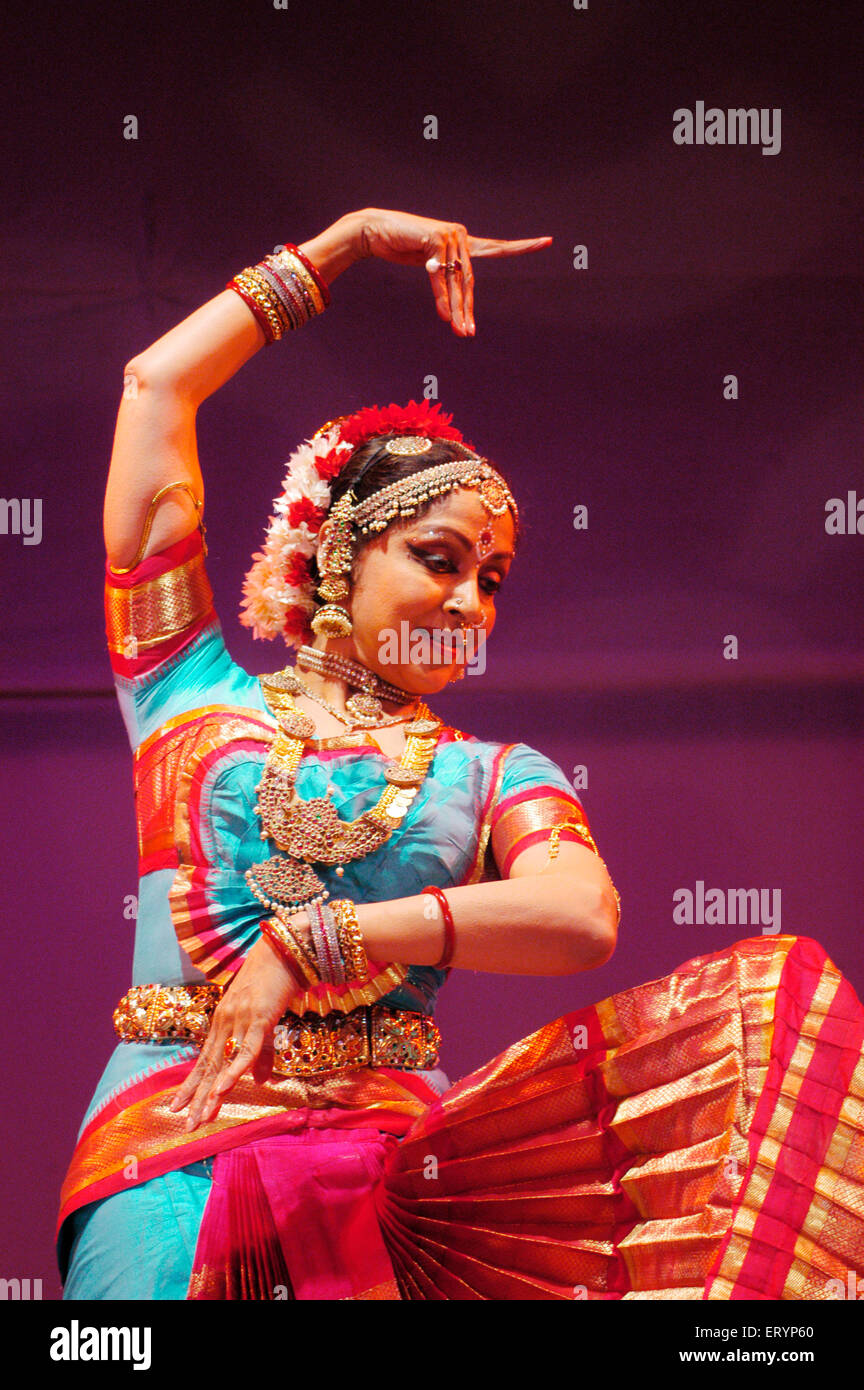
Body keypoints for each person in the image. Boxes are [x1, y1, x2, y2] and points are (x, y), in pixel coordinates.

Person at [57, 209, 864, 1301]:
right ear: (337, 553)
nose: (469, 601)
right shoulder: (182, 690)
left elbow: (583, 916)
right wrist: (339, 248)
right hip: (167, 1138)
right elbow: (156, 386)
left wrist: (325, 939)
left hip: (390, 1172)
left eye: (492, 579)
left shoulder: (491, 772)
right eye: (439, 559)